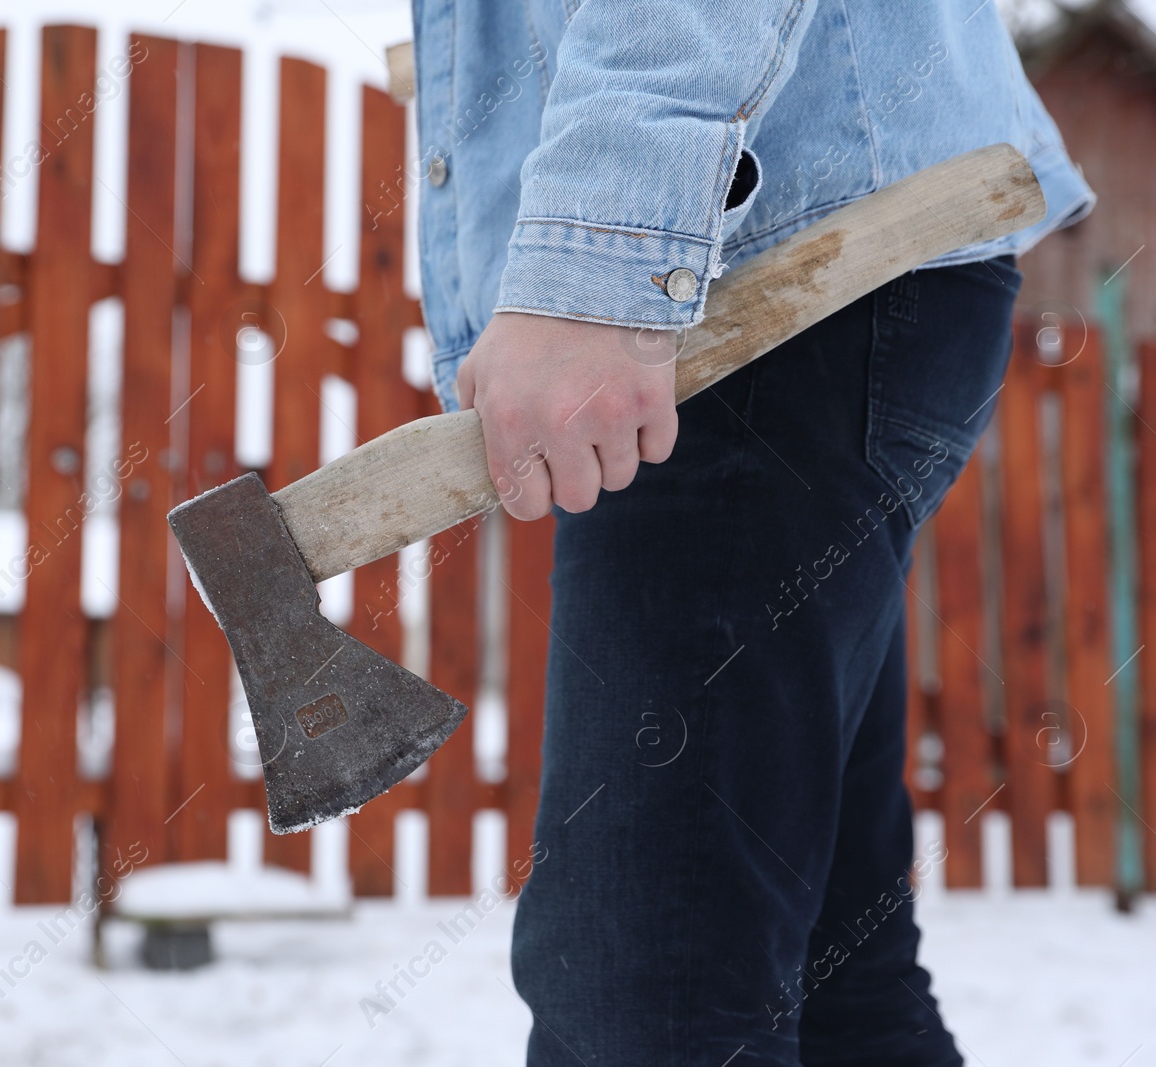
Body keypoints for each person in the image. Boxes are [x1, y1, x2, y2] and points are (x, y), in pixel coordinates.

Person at [407, 1, 1095, 1064]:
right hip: (814, 267)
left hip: (764, 290)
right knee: (831, 986)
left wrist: (600, 258)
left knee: (648, 1002)